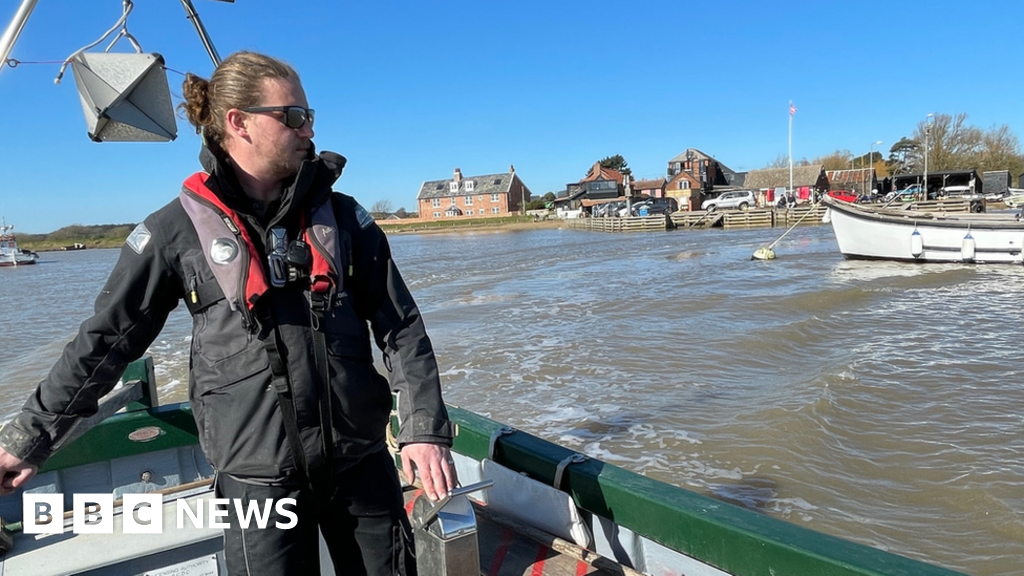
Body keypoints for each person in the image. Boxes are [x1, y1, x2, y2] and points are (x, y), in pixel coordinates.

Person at [0, 51, 456, 575]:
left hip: (358, 466)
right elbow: (104, 342)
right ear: (237, 122)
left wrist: (423, 428)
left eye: (309, 116)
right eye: (293, 116)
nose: (309, 129)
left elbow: (401, 328)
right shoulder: (174, 232)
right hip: (257, 484)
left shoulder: (346, 219)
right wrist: (27, 439)